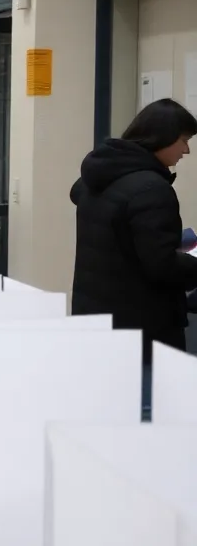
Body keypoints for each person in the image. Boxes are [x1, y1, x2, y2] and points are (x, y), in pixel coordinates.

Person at [71, 99, 197, 417]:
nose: (186, 151)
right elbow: (161, 265)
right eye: (184, 141)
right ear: (162, 137)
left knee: (111, 411)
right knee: (149, 415)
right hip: (143, 327)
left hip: (98, 318)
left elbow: (123, 239)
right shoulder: (151, 189)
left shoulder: (98, 178)